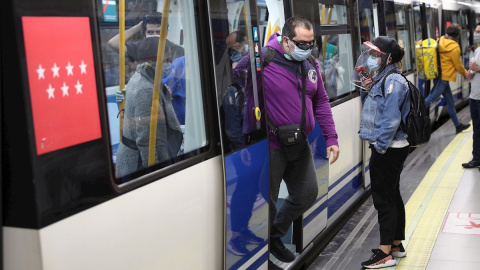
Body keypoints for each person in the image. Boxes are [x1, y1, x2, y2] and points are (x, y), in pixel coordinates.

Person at [233, 16, 340, 265]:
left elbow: (321, 101)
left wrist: (331, 137)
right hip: (271, 144)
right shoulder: (265, 58)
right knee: (267, 199)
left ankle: (274, 235)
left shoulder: (310, 64)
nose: (307, 48)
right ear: (286, 40)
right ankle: (264, 254)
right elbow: (238, 77)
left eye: (311, 43)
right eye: (302, 43)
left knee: (307, 192)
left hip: (299, 142)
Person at [357, 36, 410, 268]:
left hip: (388, 148)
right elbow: (375, 108)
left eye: (376, 55)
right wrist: (367, 89)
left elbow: (390, 121)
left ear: (388, 59)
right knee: (393, 194)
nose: (372, 58)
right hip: (390, 147)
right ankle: (396, 245)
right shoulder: (384, 79)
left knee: (383, 199)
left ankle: (384, 252)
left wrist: (379, 147)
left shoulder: (393, 82)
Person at [115, 37, 182, 179]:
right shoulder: (146, 88)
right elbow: (146, 139)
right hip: (137, 163)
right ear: (153, 61)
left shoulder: (142, 78)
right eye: (167, 60)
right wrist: (156, 172)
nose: (169, 65)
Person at [424, 23, 470, 134]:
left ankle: (458, 126)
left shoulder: (440, 41)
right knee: (430, 99)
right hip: (443, 79)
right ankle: (408, 118)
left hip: (438, 76)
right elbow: (457, 65)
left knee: (450, 102)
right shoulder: (454, 47)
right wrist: (465, 73)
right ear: (457, 35)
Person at [107, 12, 184, 64]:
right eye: (150, 32)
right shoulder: (139, 48)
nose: (154, 35)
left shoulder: (178, 50)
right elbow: (113, 43)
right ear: (144, 34)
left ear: (166, 33)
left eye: (158, 32)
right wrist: (138, 27)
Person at [463, 23, 480, 169]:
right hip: (474, 96)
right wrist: (470, 73)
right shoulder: (478, 50)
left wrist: (478, 69)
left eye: (479, 31)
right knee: (477, 129)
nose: (476, 33)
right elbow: (474, 71)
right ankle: (476, 158)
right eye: (476, 30)